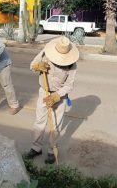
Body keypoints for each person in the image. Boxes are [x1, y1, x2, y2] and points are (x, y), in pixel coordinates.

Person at [26, 36, 79, 164]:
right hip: (44, 92)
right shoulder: (45, 53)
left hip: (59, 97)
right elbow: (32, 65)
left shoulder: (72, 65)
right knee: (40, 122)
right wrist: (38, 66)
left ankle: (51, 150)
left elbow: (69, 85)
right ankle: (36, 148)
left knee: (55, 125)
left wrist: (56, 96)